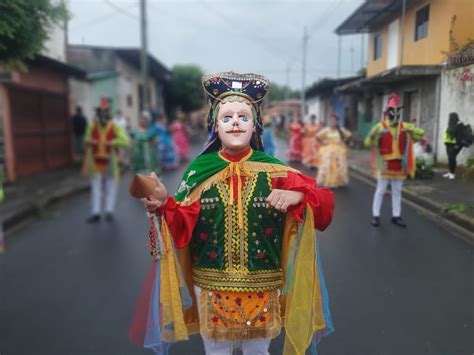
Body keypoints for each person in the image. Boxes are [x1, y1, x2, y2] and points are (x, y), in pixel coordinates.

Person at [129, 72, 335, 355]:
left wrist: (298, 195)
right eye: (227, 117)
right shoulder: (198, 172)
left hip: (263, 285)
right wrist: (165, 204)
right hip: (211, 286)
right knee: (216, 352)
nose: (235, 122)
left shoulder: (276, 171)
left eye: (243, 117)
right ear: (215, 125)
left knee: (257, 353)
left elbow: (324, 208)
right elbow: (181, 226)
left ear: (255, 126)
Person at [365, 93, 424, 228]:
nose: (395, 113)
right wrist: (376, 135)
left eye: (397, 111)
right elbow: (368, 142)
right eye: (392, 111)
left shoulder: (405, 126)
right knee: (380, 190)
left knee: (397, 191)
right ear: (387, 112)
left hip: (399, 165)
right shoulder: (380, 127)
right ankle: (376, 215)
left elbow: (420, 134)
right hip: (385, 164)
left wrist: (411, 128)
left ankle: (396, 216)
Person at [82, 105, 130, 223]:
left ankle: (109, 211)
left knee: (111, 187)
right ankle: (96, 212)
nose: (102, 119)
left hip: (110, 163)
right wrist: (89, 141)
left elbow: (125, 141)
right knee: (96, 188)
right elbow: (85, 139)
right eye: (100, 115)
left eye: (104, 115)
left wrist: (112, 142)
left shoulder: (115, 126)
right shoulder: (92, 126)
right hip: (95, 162)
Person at [315, 113, 351, 188]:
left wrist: (343, 141)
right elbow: (318, 136)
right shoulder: (326, 130)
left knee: (340, 165)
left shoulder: (340, 130)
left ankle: (339, 181)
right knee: (327, 165)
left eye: (334, 121)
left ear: (336, 122)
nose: (333, 122)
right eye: (331, 121)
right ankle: (326, 181)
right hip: (328, 150)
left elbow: (348, 135)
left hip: (339, 149)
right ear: (329, 121)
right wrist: (323, 143)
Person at [443, 112, 463, 180]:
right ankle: (450, 171)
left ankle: (452, 173)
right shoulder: (450, 124)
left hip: (455, 144)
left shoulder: (459, 124)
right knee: (450, 158)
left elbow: (459, 135)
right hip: (448, 143)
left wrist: (457, 144)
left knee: (452, 158)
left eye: (451, 117)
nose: (449, 118)